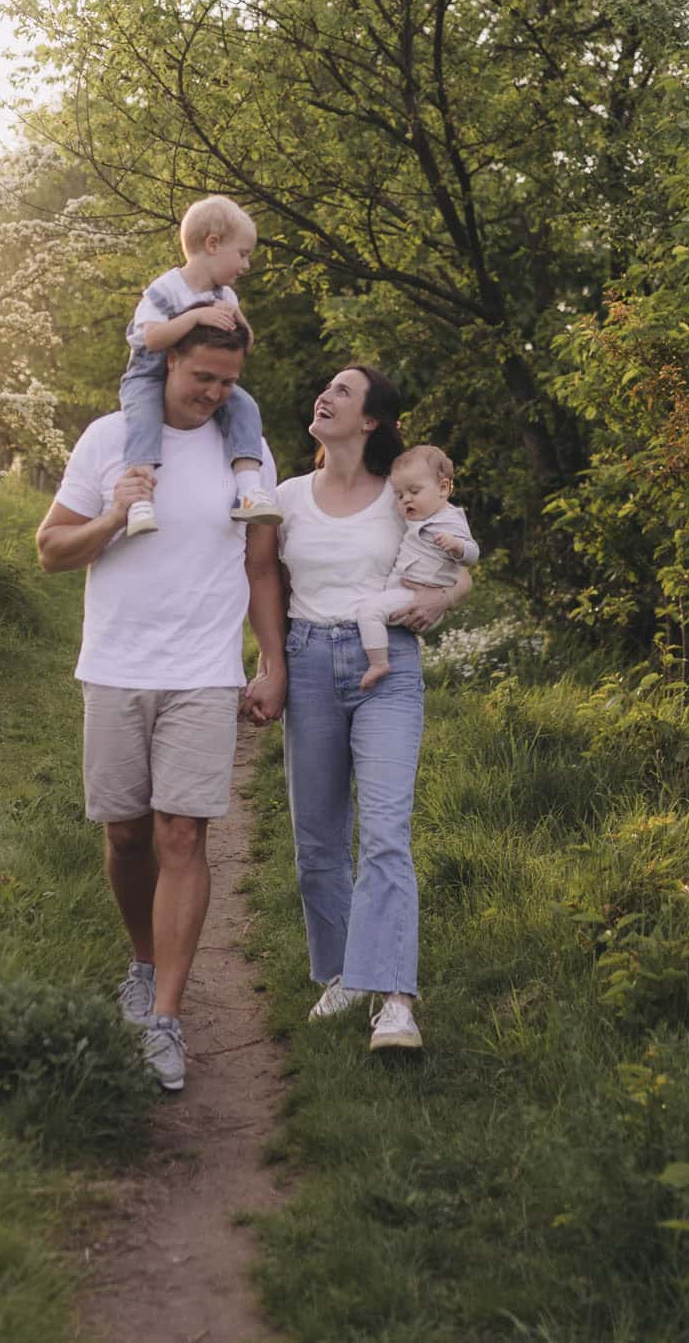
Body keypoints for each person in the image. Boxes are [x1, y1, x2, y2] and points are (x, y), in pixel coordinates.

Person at [35, 323, 284, 1093]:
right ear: (168, 360)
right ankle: (140, 963)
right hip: (114, 663)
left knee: (183, 831)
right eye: (202, 376)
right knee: (127, 831)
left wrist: (271, 662)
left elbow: (260, 563)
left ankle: (166, 1018)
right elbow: (50, 548)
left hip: (204, 670)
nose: (214, 392)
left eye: (227, 381)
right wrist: (113, 515)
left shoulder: (247, 452)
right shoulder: (111, 437)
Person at [267, 366, 469, 1053]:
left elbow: (459, 562)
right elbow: (259, 576)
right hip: (310, 664)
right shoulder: (288, 496)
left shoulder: (401, 495)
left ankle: (396, 1000)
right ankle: (345, 973)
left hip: (389, 665)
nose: (324, 394)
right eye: (324, 386)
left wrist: (442, 599)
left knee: (385, 833)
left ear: (372, 420)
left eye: (343, 392)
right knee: (318, 842)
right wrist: (270, 663)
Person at [117, 195, 283, 538]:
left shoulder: (225, 296)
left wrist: (240, 324)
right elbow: (153, 339)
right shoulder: (165, 290)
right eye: (242, 254)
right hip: (149, 375)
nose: (246, 265)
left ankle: (249, 489)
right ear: (212, 244)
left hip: (196, 378)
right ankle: (140, 499)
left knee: (244, 405)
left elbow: (244, 344)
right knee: (145, 419)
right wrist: (195, 317)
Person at [353, 444, 477, 691]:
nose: (406, 499)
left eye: (414, 491)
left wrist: (456, 546)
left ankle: (378, 663)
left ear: (443, 488)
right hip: (407, 594)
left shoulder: (449, 521)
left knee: (368, 611)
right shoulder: (420, 518)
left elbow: (472, 555)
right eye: (399, 495)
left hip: (417, 599)